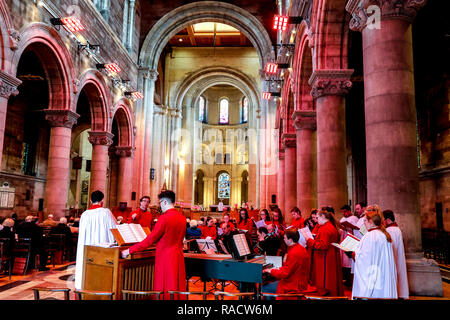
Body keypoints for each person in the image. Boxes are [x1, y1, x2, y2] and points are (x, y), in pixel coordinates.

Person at [121, 190, 186, 300]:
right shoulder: (182, 218)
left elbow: (149, 240)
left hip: (165, 258)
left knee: (164, 288)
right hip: (178, 256)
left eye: (160, 203)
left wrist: (129, 250)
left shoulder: (164, 218)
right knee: (176, 287)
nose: (160, 205)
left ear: (164, 202)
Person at [351, 205, 397, 299]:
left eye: (365, 221)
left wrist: (354, 254)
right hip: (382, 276)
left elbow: (365, 260)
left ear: (371, 221)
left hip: (374, 278)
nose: (363, 223)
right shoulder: (383, 234)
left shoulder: (370, 236)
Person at [75, 190, 118, 290]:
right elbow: (115, 229)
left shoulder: (85, 214)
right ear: (102, 201)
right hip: (101, 249)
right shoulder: (106, 212)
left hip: (87, 249)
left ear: (90, 200)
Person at [301, 209, 344, 296]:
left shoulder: (325, 228)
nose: (316, 220)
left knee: (326, 279)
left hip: (325, 257)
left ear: (323, 217)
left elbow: (322, 245)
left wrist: (308, 239)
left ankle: (327, 296)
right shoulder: (330, 226)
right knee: (332, 278)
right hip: (330, 255)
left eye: (317, 217)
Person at [262, 228, 310, 299]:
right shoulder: (300, 248)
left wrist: (271, 270)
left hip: (293, 285)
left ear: (290, 240)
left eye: (284, 238)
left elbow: (285, 273)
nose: (284, 240)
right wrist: (277, 269)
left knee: (264, 287)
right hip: (299, 280)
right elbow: (290, 267)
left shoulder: (294, 252)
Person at [383, 209, 409, 299]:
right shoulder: (396, 229)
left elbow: (390, 247)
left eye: (383, 220)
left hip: (394, 260)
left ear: (388, 220)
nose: (382, 223)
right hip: (398, 259)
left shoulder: (391, 230)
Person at [339, 204, 359, 287]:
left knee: (349, 260)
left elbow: (358, 229)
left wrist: (349, 227)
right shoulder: (343, 219)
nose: (344, 214)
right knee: (344, 260)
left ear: (349, 211)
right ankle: (346, 278)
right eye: (343, 212)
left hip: (351, 239)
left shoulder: (354, 218)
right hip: (344, 238)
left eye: (345, 212)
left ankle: (351, 280)